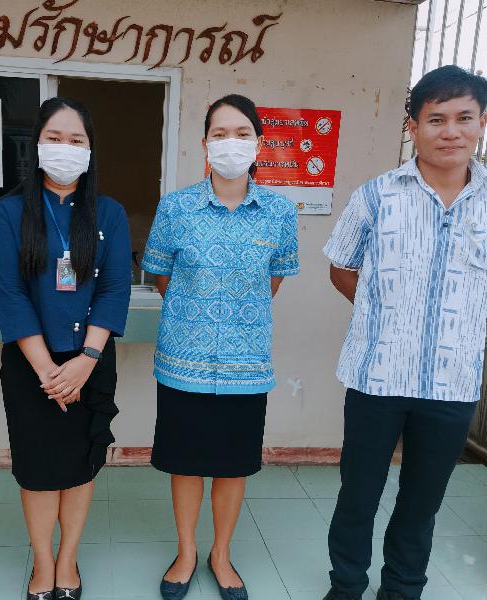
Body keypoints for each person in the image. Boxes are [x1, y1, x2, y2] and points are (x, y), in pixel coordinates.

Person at [321, 65, 487, 600]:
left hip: (451, 382)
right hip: (376, 376)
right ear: (413, 126)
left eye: (464, 117)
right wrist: (386, 314)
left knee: (422, 501)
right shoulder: (376, 196)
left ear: (482, 123)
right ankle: (346, 586)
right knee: (358, 495)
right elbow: (341, 267)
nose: (451, 131)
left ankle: (402, 588)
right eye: (436, 119)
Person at [142, 94, 300, 600]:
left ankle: (221, 553)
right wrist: (197, 310)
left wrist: (234, 315)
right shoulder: (176, 207)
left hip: (245, 364)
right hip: (183, 359)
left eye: (242, 133)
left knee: (233, 465)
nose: (231, 142)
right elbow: (161, 276)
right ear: (205, 143)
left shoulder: (279, 211)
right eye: (220, 133)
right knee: (186, 461)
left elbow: (273, 281)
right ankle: (187, 551)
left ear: (258, 143)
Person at [0, 97, 132, 600]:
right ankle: (43, 563)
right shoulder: (8, 213)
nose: (65, 148)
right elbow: (10, 294)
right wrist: (48, 369)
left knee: (81, 466)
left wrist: (86, 360)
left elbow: (114, 289)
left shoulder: (108, 213)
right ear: (37, 145)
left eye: (76, 140)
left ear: (90, 150)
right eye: (54, 138)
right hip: (32, 366)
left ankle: (68, 561)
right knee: (39, 471)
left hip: (90, 361)